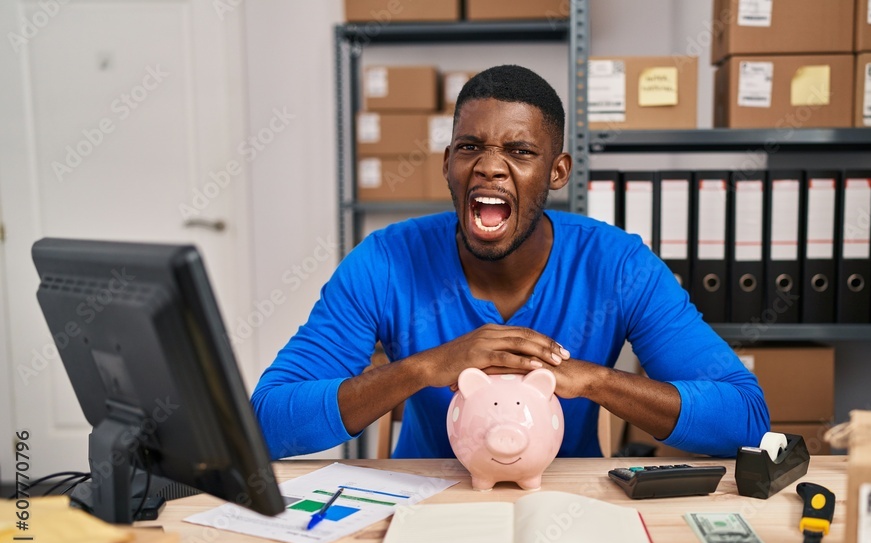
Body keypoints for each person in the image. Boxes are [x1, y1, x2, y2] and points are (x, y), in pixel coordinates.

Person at [251, 64, 769, 459]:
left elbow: (746, 418)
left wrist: (594, 381)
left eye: (520, 151)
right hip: (425, 505)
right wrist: (423, 368)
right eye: (470, 146)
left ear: (558, 171)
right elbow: (267, 420)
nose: (490, 166)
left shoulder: (618, 264)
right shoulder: (384, 261)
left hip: (564, 508)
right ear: (448, 164)